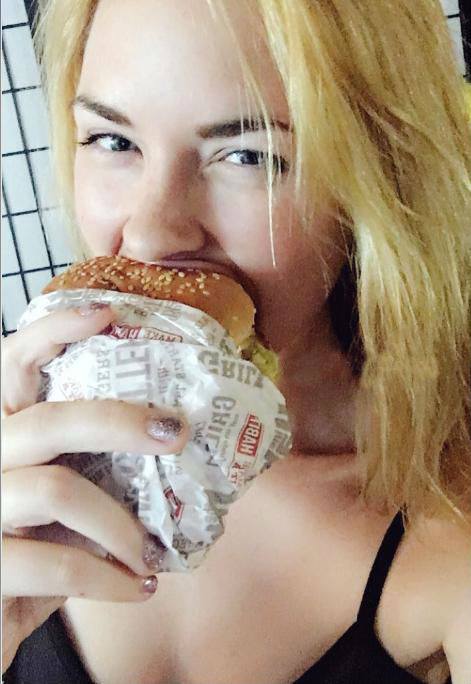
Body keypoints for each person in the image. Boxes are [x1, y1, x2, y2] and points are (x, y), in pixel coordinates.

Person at [2, 0, 470, 682]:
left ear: (376, 178)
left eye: (249, 155)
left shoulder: (446, 524)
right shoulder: (20, 447)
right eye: (113, 141)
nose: (149, 234)